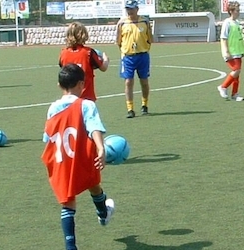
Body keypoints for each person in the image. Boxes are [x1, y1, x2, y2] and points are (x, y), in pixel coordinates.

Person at [43, 63, 116, 250]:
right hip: (81, 156)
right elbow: (94, 128)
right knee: (93, 184)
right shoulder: (86, 104)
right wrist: (101, 148)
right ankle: (103, 214)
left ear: (60, 86)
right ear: (82, 84)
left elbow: (47, 137)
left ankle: (71, 246)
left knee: (68, 203)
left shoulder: (52, 108)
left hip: (61, 160)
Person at [116, 0, 153, 118]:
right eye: (127, 9)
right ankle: (130, 109)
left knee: (144, 82)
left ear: (137, 9)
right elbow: (118, 41)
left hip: (143, 56)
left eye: (131, 8)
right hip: (128, 57)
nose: (129, 11)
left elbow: (150, 38)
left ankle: (144, 105)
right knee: (128, 82)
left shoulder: (144, 21)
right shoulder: (122, 23)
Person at [59, 21, 109, 101]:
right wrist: (106, 59)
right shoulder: (89, 52)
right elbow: (103, 68)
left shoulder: (63, 53)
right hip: (86, 97)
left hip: (69, 98)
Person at [216, 1, 244, 101]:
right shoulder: (227, 23)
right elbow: (223, 38)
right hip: (230, 52)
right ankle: (223, 86)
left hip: (237, 52)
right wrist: (226, 52)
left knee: (237, 74)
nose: (239, 12)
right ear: (231, 11)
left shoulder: (237, 23)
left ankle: (235, 94)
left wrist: (241, 50)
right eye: (237, 10)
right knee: (236, 70)